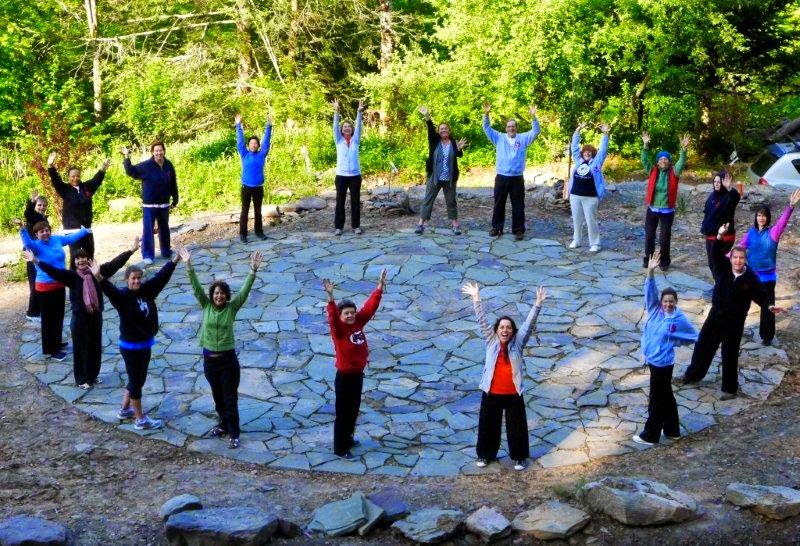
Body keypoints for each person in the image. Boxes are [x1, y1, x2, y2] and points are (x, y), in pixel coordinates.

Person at [25, 239, 139, 388]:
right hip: (80, 319)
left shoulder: (97, 272)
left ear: (89, 259)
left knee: (95, 347)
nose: (81, 260)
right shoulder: (71, 276)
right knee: (81, 349)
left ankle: (92, 376)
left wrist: (131, 251)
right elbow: (53, 271)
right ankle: (81, 379)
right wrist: (36, 261)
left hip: (95, 316)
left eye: (83, 257)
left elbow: (115, 264)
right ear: (74, 261)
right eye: (77, 258)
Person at [94, 243, 184, 429]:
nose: (136, 281)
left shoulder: (147, 290)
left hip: (145, 343)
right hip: (130, 346)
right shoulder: (121, 297)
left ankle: (125, 410)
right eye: (133, 278)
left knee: (138, 379)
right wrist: (98, 275)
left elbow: (161, 277)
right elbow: (107, 287)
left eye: (139, 278)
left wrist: (175, 259)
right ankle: (140, 419)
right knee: (136, 381)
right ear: (127, 279)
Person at [182, 245, 263, 449]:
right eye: (216, 293)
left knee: (230, 397)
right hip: (209, 361)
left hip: (228, 361)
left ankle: (234, 433)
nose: (219, 296)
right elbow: (195, 287)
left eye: (222, 294)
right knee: (218, 397)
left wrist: (252, 271)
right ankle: (223, 424)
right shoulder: (206, 305)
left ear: (227, 296)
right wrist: (188, 265)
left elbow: (244, 292)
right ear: (212, 295)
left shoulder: (232, 308)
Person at [462, 281, 546, 471]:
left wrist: (537, 304)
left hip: (513, 394)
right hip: (491, 392)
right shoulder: (490, 340)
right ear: (497, 330)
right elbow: (481, 320)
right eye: (502, 327)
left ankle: (519, 457)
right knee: (487, 427)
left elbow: (529, 323)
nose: (505, 330)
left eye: (508, 327)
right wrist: (476, 298)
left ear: (513, 331)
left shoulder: (518, 343)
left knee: (517, 428)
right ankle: (485, 456)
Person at [681, 246, 784, 399]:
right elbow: (714, 252)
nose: (738, 261)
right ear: (730, 259)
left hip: (735, 322)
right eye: (735, 257)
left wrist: (769, 306)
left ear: (745, 260)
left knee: (729, 353)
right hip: (715, 316)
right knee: (703, 345)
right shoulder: (723, 268)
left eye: (741, 258)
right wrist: (719, 239)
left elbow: (761, 295)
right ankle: (693, 375)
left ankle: (729, 389)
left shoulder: (750, 277)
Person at [632, 251, 698, 446]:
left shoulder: (678, 319)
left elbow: (694, 336)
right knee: (666, 396)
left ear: (676, 303)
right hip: (652, 360)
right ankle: (672, 430)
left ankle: (650, 435)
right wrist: (650, 272)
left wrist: (674, 342)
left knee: (656, 400)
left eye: (671, 301)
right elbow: (649, 292)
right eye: (665, 301)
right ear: (661, 302)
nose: (668, 304)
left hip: (663, 364)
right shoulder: (655, 310)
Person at [323, 269, 387, 458]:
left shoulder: (358, 322)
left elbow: (370, 307)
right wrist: (330, 298)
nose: (350, 315)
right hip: (344, 377)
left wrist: (380, 287)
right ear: (341, 315)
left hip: (358, 375)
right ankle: (340, 448)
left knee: (353, 410)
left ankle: (349, 438)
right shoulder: (339, 330)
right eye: (346, 313)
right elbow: (333, 318)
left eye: (352, 312)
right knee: (343, 413)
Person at [727, 189, 799, 345]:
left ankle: (767, 336)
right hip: (750, 276)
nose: (761, 218)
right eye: (759, 215)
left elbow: (783, 222)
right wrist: (726, 256)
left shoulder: (773, 233)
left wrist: (790, 206)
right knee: (739, 303)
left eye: (764, 215)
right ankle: (733, 329)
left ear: (767, 218)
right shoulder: (751, 233)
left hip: (767, 278)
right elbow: (740, 247)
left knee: (768, 308)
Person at [20, 222, 91, 361]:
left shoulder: (56, 239)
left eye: (47, 230)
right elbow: (27, 242)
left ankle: (57, 342)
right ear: (36, 234)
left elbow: (70, 238)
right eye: (41, 232)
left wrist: (85, 231)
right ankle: (50, 350)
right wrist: (22, 229)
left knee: (58, 316)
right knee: (48, 319)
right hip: (45, 287)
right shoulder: (35, 245)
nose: (45, 233)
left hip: (59, 284)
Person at [482, 102, 540, 240]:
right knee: (498, 203)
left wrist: (533, 117)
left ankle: (519, 230)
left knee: (518, 205)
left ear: (516, 128)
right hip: (501, 177)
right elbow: (486, 127)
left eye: (513, 126)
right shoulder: (499, 137)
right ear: (505, 128)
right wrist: (486, 114)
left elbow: (536, 131)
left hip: (517, 178)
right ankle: (497, 228)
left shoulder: (524, 138)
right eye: (508, 126)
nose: (511, 128)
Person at [46, 151, 110, 263]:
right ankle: (74, 279)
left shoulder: (86, 187)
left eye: (77, 176)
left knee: (89, 256)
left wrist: (103, 168)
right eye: (72, 176)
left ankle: (91, 278)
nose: (75, 178)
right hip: (72, 231)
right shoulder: (65, 189)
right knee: (75, 259)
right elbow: (56, 180)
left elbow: (96, 180)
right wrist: (50, 166)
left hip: (86, 229)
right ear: (68, 177)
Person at [121, 142, 179, 265]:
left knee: (164, 229)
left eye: (160, 150)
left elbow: (173, 183)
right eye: (156, 151)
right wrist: (126, 157)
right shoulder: (146, 166)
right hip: (149, 206)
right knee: (148, 230)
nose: (158, 153)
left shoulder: (169, 165)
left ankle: (166, 251)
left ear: (164, 151)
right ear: (152, 152)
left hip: (164, 205)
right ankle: (147, 255)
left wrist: (175, 197)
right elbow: (131, 171)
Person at [414, 106, 468, 235]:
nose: (444, 130)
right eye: (441, 129)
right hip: (434, 177)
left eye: (446, 128)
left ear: (449, 131)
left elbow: (458, 155)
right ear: (439, 131)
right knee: (428, 199)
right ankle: (421, 224)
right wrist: (427, 116)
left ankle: (455, 225)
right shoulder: (434, 141)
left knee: (451, 201)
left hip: (449, 178)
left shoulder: (453, 142)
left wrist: (459, 149)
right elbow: (430, 129)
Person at [641, 133, 690, 270]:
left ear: (669, 161)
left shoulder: (674, 172)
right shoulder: (652, 170)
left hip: (667, 211)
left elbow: (681, 162)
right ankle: (649, 259)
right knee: (649, 236)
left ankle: (664, 261)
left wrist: (684, 149)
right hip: (652, 209)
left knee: (664, 239)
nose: (663, 161)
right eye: (661, 159)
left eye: (666, 159)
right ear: (657, 161)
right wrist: (645, 145)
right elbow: (644, 159)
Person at [568, 123, 610, 252]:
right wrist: (578, 130)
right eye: (585, 151)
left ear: (593, 154)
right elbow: (574, 147)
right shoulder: (578, 160)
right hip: (575, 195)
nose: (587, 153)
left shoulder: (597, 162)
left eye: (590, 152)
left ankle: (595, 243)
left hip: (591, 197)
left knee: (591, 220)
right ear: (582, 153)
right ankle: (577, 240)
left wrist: (605, 134)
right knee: (576, 219)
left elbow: (603, 150)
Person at [235, 113, 273, 243]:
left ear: (258, 145)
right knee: (244, 212)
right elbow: (240, 141)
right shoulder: (244, 154)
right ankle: (243, 234)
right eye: (251, 143)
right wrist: (238, 125)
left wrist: (269, 126)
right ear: (248, 145)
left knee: (258, 211)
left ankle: (259, 232)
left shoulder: (262, 154)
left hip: (258, 188)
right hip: (246, 188)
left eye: (255, 143)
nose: (253, 145)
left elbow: (266, 141)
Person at [13, 191, 49, 322]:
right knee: (35, 282)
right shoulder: (33, 216)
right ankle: (32, 313)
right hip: (31, 253)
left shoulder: (43, 218)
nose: (42, 207)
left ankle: (38, 308)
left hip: (39, 252)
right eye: (39, 205)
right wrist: (32, 201)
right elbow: (27, 213)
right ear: (35, 205)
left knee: (40, 280)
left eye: (44, 205)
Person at [332, 99, 364, 236]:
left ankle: (356, 226)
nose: (346, 128)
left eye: (348, 127)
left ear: (352, 130)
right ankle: (339, 227)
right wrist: (336, 111)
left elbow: (359, 126)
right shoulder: (338, 140)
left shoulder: (356, 140)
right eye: (344, 127)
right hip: (341, 175)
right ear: (342, 129)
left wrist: (359, 112)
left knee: (355, 202)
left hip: (355, 176)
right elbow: (334, 127)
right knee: (340, 202)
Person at [700, 171, 740, 279]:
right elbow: (707, 213)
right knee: (712, 264)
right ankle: (718, 284)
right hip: (710, 235)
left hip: (724, 237)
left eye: (719, 182)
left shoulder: (729, 197)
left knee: (721, 263)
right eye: (715, 182)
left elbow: (736, 198)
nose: (717, 184)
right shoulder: (712, 196)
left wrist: (729, 188)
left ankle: (723, 286)